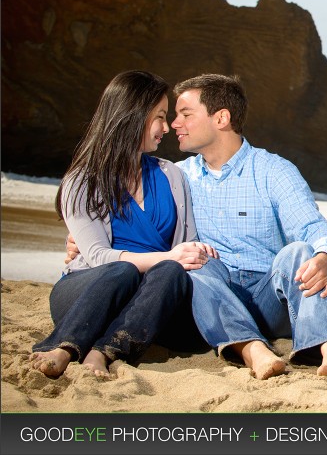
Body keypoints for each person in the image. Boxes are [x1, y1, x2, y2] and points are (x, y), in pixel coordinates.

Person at [73, 73, 327, 379]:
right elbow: (132, 218)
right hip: (210, 299)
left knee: (300, 251)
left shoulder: (274, 171)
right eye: (173, 116)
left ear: (221, 118)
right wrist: (80, 240)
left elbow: (312, 227)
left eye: (185, 115)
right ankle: (252, 351)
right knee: (197, 264)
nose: (174, 125)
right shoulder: (177, 178)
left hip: (269, 298)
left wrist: (326, 258)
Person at [32, 70, 216, 379]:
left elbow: (184, 245)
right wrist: (169, 257)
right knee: (123, 269)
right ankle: (63, 347)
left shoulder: (171, 175)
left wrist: (185, 255)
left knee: (172, 272)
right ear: (132, 115)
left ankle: (104, 351)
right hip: (91, 295)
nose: (166, 128)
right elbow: (97, 257)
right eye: (159, 117)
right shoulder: (83, 181)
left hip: (151, 302)